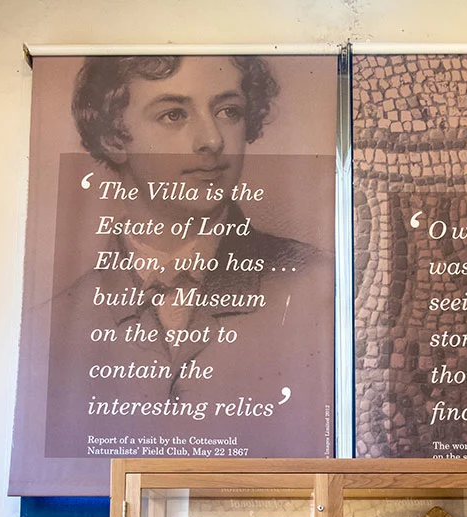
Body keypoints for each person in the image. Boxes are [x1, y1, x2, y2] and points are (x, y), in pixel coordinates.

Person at [43, 55, 331, 459]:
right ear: (114, 136)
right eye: (174, 114)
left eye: (229, 111)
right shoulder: (57, 321)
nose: (212, 139)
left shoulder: (319, 282)